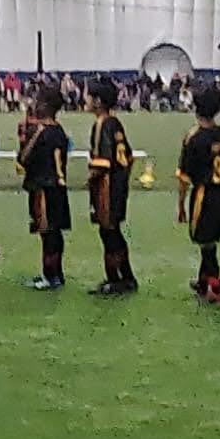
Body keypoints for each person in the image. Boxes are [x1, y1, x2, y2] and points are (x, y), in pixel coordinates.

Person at [177, 85, 220, 304]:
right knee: (210, 239)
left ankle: (216, 288)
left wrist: (180, 206)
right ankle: (203, 281)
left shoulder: (193, 137)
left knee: (206, 244)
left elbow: (184, 177)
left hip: (204, 195)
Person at [85, 76, 137, 296]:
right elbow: (129, 156)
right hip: (118, 185)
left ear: (98, 101)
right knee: (113, 230)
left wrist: (90, 178)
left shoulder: (101, 124)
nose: (85, 100)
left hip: (106, 186)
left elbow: (102, 162)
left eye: (89, 96)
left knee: (108, 232)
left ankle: (116, 279)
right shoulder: (115, 123)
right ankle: (126, 277)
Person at [17, 90, 71, 291]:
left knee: (47, 232)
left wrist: (26, 139)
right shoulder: (59, 131)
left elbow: (23, 159)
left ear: (45, 106)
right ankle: (56, 273)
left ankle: (50, 276)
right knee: (54, 232)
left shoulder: (41, 132)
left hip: (43, 187)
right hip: (57, 187)